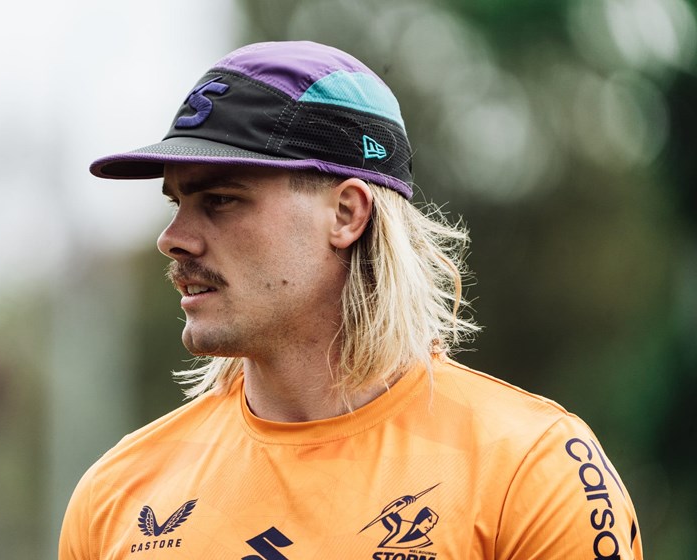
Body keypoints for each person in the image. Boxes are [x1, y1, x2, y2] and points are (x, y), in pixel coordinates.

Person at [59, 40, 642, 559]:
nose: (173, 238)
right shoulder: (116, 494)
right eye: (176, 203)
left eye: (221, 200)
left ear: (346, 214)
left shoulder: (531, 469)